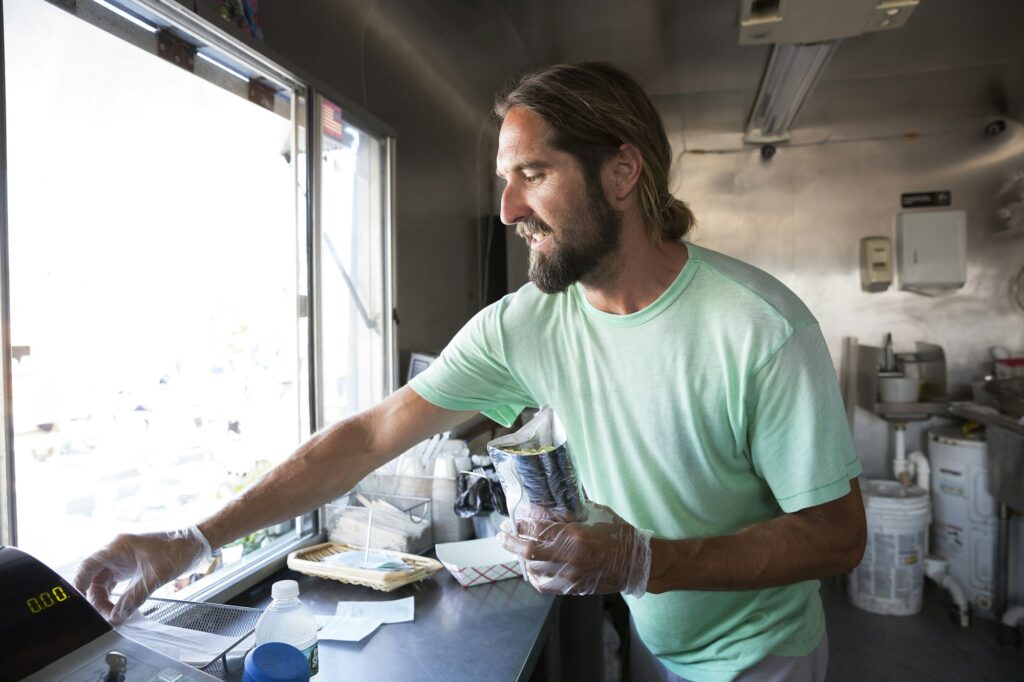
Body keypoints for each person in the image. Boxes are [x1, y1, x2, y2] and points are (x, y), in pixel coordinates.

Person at [75, 62, 866, 681]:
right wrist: (194, 539)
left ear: (621, 174)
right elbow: (369, 437)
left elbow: (839, 538)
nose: (507, 211)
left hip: (763, 658)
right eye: (505, 180)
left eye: (532, 174)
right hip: (658, 634)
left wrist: (645, 561)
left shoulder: (758, 327)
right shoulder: (530, 322)